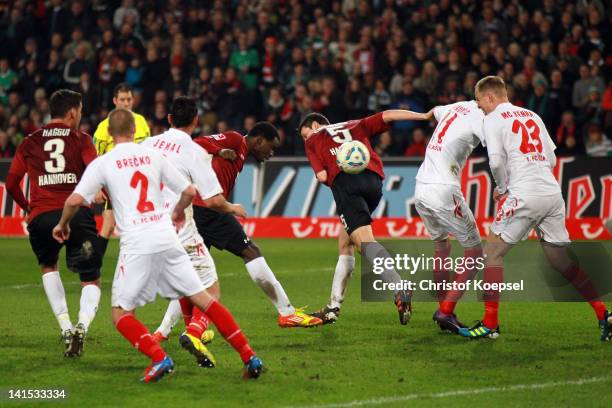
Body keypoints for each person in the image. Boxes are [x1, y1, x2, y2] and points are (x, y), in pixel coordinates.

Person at [52, 108, 264, 382]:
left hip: (137, 244)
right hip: (167, 236)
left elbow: (73, 201)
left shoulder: (104, 163)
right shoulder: (154, 155)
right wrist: (177, 211)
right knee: (205, 299)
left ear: (109, 133)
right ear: (134, 128)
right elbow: (189, 191)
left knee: (120, 314)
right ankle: (249, 356)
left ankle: (159, 357)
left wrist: (63, 225)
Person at [462, 76, 611, 341]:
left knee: (492, 253)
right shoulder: (533, 115)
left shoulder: (493, 118)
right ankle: (603, 313)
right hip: (552, 193)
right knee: (561, 261)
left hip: (523, 194)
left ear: (490, 97)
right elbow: (552, 158)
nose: (480, 108)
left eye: (480, 102)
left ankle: (490, 324)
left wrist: (503, 188)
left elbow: (496, 161)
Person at [299, 110, 431, 325]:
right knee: (346, 242)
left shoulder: (315, 138)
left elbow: (321, 176)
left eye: (305, 134)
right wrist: (424, 116)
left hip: (346, 184)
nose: (306, 139)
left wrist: (334, 174)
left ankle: (399, 286)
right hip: (373, 182)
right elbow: (388, 115)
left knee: (365, 242)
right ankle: (333, 307)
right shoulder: (355, 124)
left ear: (315, 125)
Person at [141, 97, 246, 366]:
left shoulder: (148, 144)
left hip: (146, 230)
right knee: (211, 287)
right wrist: (233, 208)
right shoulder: (193, 151)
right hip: (179, 228)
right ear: (196, 121)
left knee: (185, 282)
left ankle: (179, 334)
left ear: (169, 119)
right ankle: (195, 332)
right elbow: (212, 200)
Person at [186, 123, 323, 328]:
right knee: (250, 251)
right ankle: (287, 312)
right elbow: (196, 143)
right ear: (258, 141)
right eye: (271, 146)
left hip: (201, 211)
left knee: (194, 272)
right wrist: (219, 149)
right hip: (209, 210)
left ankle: (163, 331)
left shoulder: (240, 154)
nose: (271, 153)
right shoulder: (234, 139)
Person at [6, 89, 102, 357]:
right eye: (80, 110)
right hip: (77, 216)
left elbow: (12, 183)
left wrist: (28, 208)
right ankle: (82, 325)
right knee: (90, 278)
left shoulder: (29, 141)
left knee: (49, 266)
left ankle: (65, 327)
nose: (80, 115)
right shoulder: (81, 139)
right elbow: (94, 172)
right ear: (72, 112)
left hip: (42, 218)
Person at [413, 100, 486, 334]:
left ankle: (446, 312)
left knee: (441, 244)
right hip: (444, 189)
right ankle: (445, 309)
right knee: (475, 253)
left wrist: (425, 117)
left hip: (421, 187)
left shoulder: (457, 106)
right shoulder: (482, 116)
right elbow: (496, 149)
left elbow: (432, 111)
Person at [93, 83, 151, 254]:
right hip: (116, 181)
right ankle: (94, 264)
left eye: (129, 99)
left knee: (141, 226)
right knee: (109, 225)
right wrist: (97, 187)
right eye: (122, 100)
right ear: (114, 101)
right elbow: (94, 158)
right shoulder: (103, 127)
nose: (126, 103)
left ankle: (138, 261)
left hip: (139, 181)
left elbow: (148, 150)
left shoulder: (141, 122)